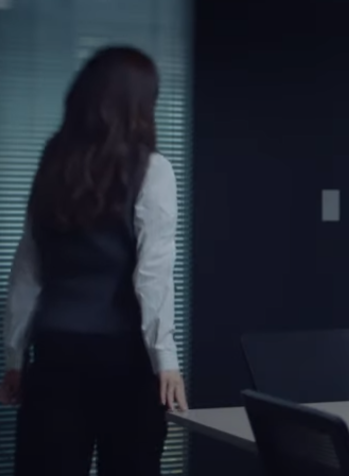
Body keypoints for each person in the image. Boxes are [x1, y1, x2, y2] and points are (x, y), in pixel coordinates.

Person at [0, 46, 187, 476]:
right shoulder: (152, 169)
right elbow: (152, 276)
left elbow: (26, 272)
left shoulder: (53, 166)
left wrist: (15, 358)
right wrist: (166, 362)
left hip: (55, 354)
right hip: (124, 360)